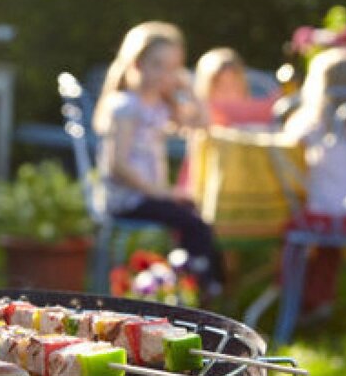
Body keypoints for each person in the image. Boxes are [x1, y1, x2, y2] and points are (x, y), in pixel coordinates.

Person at [93, 21, 225, 296]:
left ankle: (191, 282)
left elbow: (204, 124)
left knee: (199, 215)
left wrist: (189, 90)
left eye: (173, 67)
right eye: (158, 65)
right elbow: (117, 165)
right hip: (127, 199)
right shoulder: (126, 106)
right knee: (192, 222)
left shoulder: (161, 105)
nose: (165, 74)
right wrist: (161, 193)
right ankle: (200, 285)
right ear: (137, 64)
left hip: (151, 196)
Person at [279, 46, 346, 317]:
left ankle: (291, 293)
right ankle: (319, 297)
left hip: (321, 215)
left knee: (292, 231)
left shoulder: (311, 124)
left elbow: (285, 140)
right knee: (329, 243)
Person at [192, 47, 279, 128]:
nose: (229, 92)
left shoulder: (262, 115)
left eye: (234, 85)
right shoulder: (195, 118)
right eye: (221, 87)